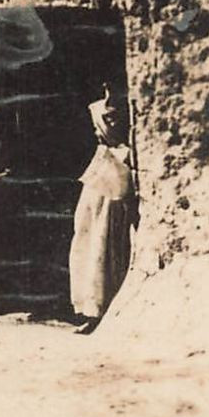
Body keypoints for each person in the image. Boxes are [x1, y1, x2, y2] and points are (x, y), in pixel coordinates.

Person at [68, 84, 138, 333]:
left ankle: (103, 309)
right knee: (89, 246)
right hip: (97, 192)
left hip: (113, 196)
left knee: (106, 249)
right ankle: (90, 309)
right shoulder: (98, 119)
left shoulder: (126, 142)